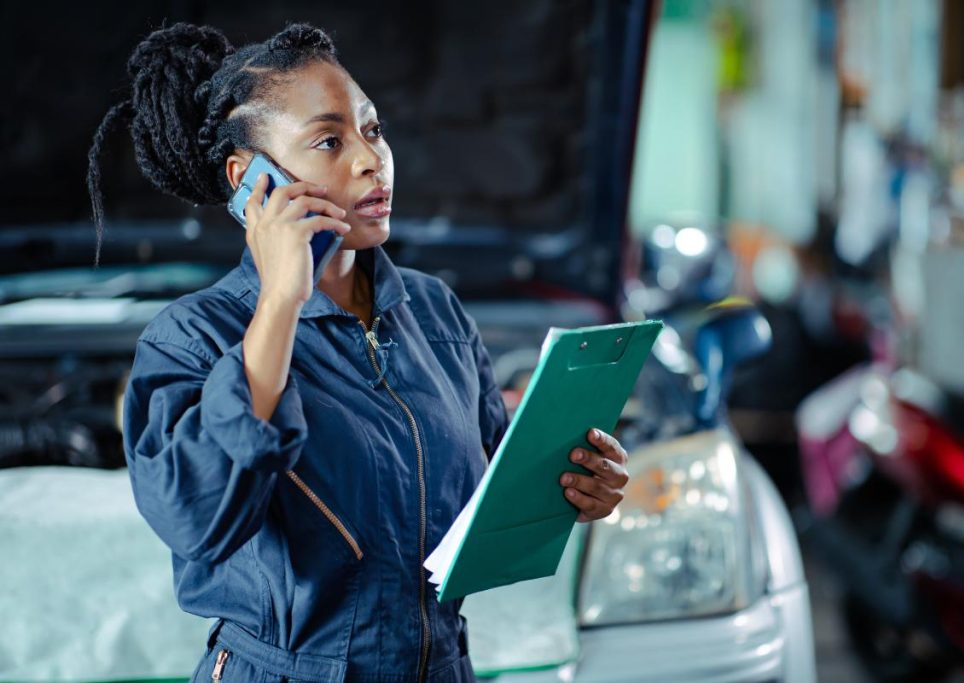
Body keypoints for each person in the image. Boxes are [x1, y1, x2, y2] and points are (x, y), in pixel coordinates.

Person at [87, 21, 631, 683]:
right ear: (248, 180)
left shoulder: (435, 313)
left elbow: (488, 497)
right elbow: (197, 518)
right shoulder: (193, 337)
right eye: (328, 140)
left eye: (372, 130)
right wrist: (280, 302)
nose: (372, 159)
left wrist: (576, 484)